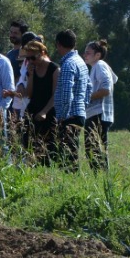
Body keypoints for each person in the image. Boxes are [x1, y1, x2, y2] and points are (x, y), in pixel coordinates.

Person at [49, 30, 91, 171]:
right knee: (71, 152)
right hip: (78, 112)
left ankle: (70, 182)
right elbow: (89, 88)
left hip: (69, 115)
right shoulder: (81, 62)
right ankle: (72, 181)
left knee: (67, 156)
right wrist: (82, 106)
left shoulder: (68, 64)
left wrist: (63, 116)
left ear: (59, 44)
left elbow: (67, 93)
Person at [17, 38, 57, 163]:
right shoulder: (32, 69)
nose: (30, 61)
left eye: (33, 58)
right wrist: (31, 75)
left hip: (48, 111)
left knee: (47, 148)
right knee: (29, 144)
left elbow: (55, 95)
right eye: (27, 59)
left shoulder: (54, 69)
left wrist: (45, 111)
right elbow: (29, 94)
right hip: (33, 109)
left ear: (42, 53)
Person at [81, 40, 116, 172]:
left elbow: (106, 89)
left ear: (97, 55)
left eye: (88, 53)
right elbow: (113, 80)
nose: (85, 55)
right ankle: (101, 176)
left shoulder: (99, 65)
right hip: (98, 113)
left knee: (94, 148)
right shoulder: (97, 67)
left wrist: (85, 97)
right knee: (96, 147)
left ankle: (100, 176)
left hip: (98, 113)